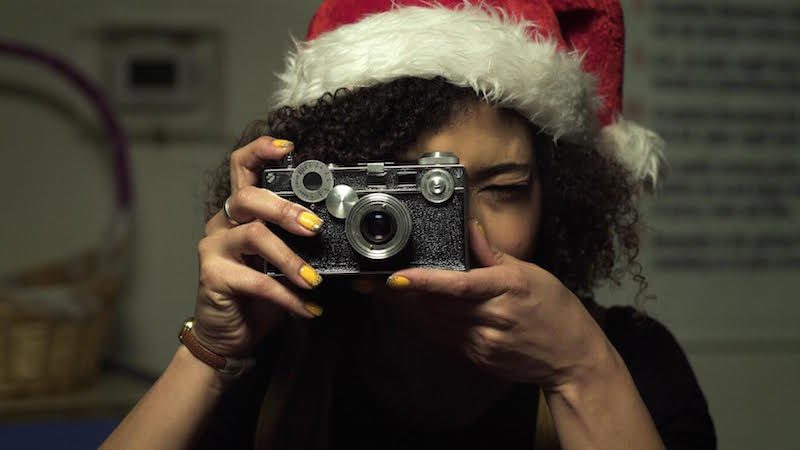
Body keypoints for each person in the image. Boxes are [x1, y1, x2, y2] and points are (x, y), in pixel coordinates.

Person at [102, 1, 716, 449]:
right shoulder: (277, 364)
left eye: (503, 189)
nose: (461, 229)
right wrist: (209, 355)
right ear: (332, 191)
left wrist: (580, 371)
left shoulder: (627, 359)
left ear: (556, 198)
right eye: (403, 198)